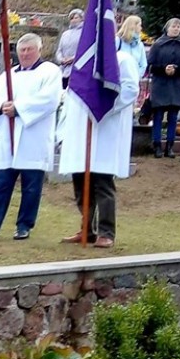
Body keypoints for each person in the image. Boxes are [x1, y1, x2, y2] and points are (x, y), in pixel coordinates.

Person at [0, 33, 62, 240]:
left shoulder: (50, 72)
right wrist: (2, 107)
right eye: (22, 50)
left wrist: (19, 108)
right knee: (1, 184)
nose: (25, 54)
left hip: (33, 135)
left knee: (31, 186)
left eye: (29, 50)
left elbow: (49, 100)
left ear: (39, 50)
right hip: (8, 137)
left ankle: (24, 225)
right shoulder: (8, 76)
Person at [57, 47, 140, 248]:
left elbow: (129, 90)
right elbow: (72, 94)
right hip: (80, 133)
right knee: (80, 184)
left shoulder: (121, 59)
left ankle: (106, 231)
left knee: (102, 184)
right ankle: (87, 229)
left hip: (104, 131)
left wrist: (100, 106)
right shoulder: (83, 59)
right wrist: (63, 131)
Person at [147, 18, 180, 158]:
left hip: (176, 84)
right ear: (167, 28)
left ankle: (170, 146)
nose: (176, 28)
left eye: (178, 26)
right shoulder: (158, 44)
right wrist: (163, 69)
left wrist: (176, 70)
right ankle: (157, 146)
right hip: (160, 84)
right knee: (158, 116)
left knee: (173, 117)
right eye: (174, 26)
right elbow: (150, 65)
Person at [55, 8, 84, 88]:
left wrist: (73, 58)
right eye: (71, 18)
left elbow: (84, 50)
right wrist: (61, 60)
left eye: (76, 18)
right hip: (63, 69)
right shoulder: (65, 34)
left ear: (82, 19)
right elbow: (59, 50)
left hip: (77, 69)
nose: (73, 20)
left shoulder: (84, 33)